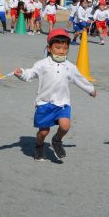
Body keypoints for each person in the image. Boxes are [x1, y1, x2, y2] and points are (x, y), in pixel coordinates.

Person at [13, 28, 96, 161]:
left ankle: (57, 140)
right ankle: (39, 147)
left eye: (65, 48)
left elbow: (79, 79)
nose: (62, 51)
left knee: (65, 126)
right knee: (43, 132)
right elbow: (31, 73)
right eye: (58, 47)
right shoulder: (42, 64)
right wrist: (22, 73)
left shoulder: (70, 66)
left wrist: (91, 90)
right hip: (45, 103)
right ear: (49, 48)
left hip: (62, 103)